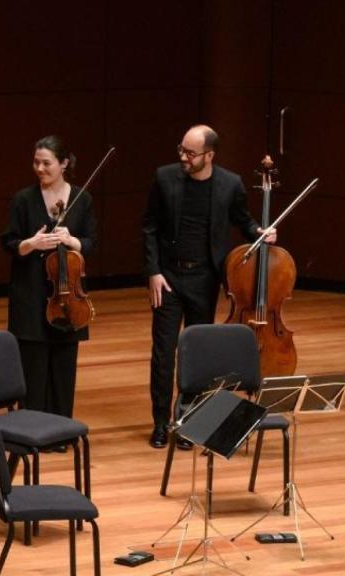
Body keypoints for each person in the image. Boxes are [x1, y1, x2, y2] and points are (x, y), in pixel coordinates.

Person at [143, 125, 276, 449]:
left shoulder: (229, 185)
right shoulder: (165, 178)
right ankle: (162, 423)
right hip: (169, 278)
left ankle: (188, 421)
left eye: (190, 153)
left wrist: (260, 231)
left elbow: (241, 220)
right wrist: (153, 272)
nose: (184, 157)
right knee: (163, 353)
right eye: (182, 150)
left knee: (197, 355)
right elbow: (149, 226)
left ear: (210, 155)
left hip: (205, 279)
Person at [1, 136, 97, 424]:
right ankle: (31, 429)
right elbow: (8, 242)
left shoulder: (82, 199)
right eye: (36, 162)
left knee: (64, 370)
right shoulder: (23, 199)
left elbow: (92, 242)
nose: (40, 168)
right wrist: (32, 243)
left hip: (68, 296)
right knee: (33, 368)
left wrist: (72, 240)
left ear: (64, 163)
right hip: (30, 295)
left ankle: (60, 430)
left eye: (47, 163)